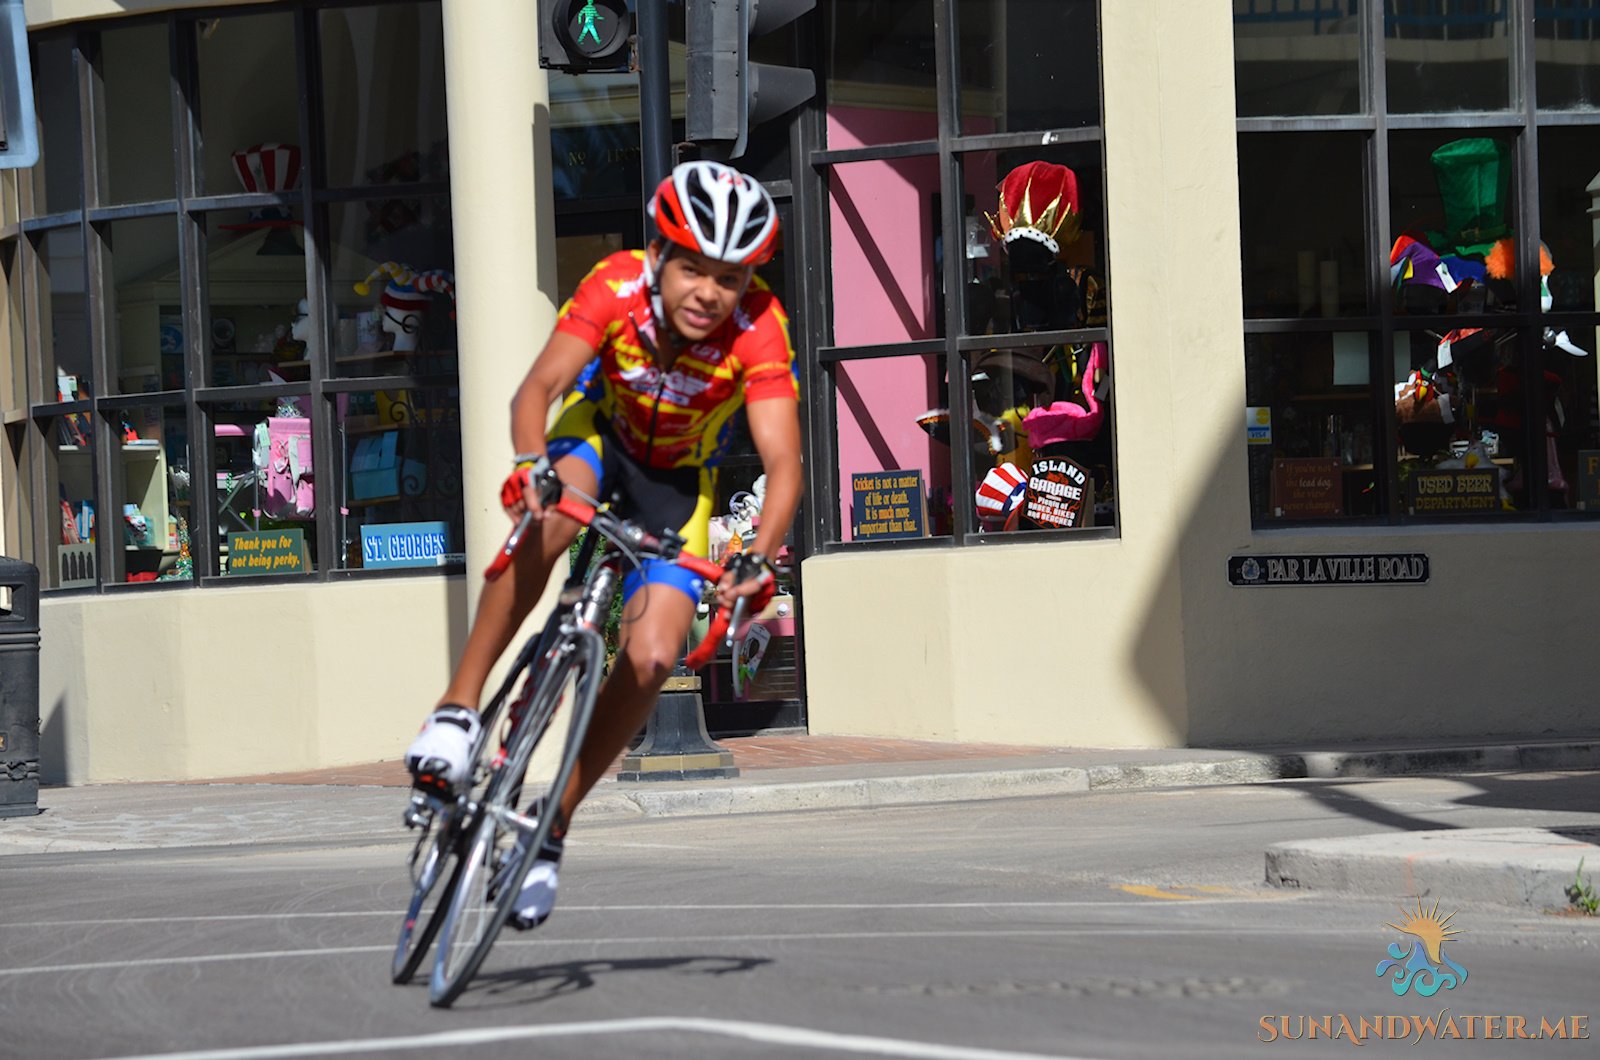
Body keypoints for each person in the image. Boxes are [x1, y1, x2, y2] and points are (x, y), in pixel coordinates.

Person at [403, 160, 803, 929]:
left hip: (678, 484)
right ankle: (456, 711)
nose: (708, 293)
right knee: (553, 517)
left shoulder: (761, 328)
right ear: (658, 256)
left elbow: (783, 463)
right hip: (598, 441)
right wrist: (529, 466)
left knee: (655, 655)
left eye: (729, 277)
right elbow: (537, 390)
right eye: (692, 268)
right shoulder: (615, 284)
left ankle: (550, 825)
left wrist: (758, 556)